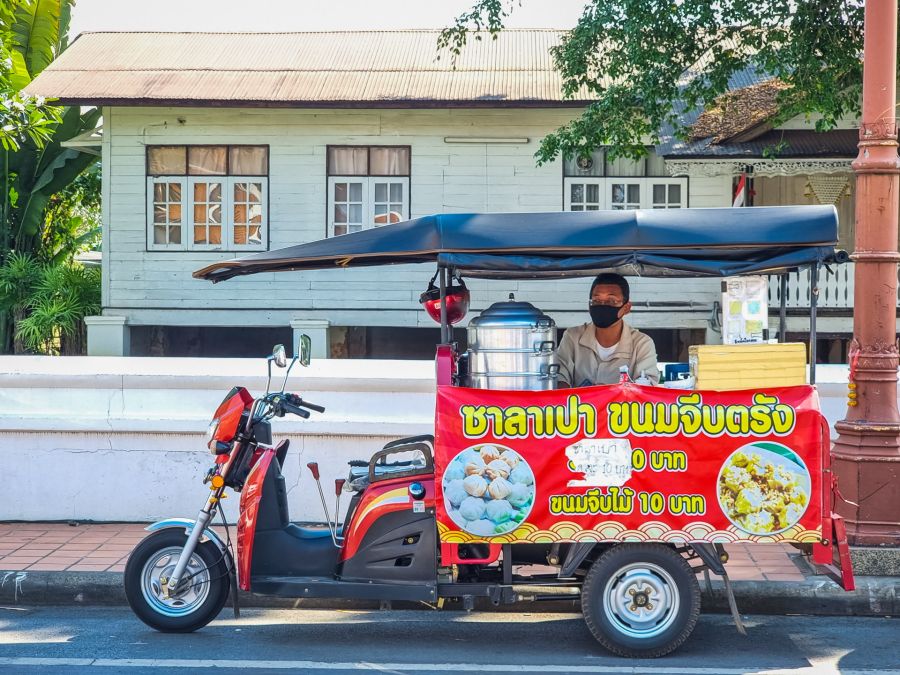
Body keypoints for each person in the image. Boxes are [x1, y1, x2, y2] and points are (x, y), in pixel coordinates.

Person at [557, 273, 659, 387]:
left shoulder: (642, 343)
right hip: (580, 404)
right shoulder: (572, 337)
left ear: (626, 307)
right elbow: (559, 377)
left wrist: (607, 394)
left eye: (611, 301)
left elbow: (647, 388)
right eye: (596, 301)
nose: (602, 306)